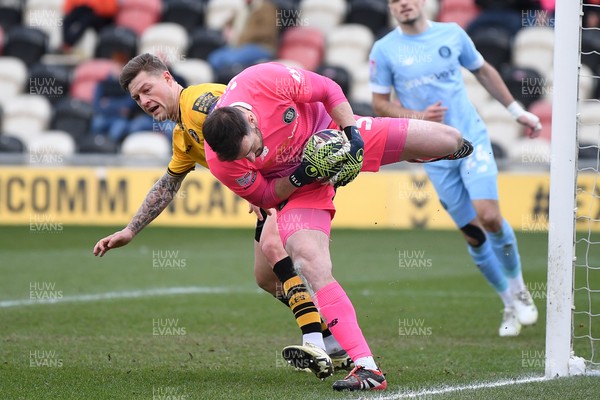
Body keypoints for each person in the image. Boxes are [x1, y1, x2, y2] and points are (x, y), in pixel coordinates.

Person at [201, 61, 472, 391]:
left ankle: (406, 154)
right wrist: (303, 175)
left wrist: (353, 138)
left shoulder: (264, 81)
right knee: (308, 262)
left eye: (255, 148)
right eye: (248, 158)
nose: (256, 159)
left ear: (253, 120)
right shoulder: (220, 160)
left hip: (331, 134)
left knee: (449, 139)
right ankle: (366, 367)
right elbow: (265, 194)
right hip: (299, 186)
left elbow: (329, 90)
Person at [91, 53, 351, 380]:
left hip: (292, 175)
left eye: (147, 89)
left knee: (273, 246)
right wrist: (131, 230)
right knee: (266, 278)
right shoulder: (183, 134)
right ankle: (334, 340)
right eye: (136, 97)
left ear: (168, 78)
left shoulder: (202, 104)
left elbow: (246, 128)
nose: (144, 101)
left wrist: (258, 183)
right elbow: (169, 183)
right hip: (269, 190)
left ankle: (313, 341)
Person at [369, 0, 541, 337]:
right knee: (473, 234)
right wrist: (419, 118)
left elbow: (484, 70)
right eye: (393, 0)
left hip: (471, 138)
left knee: (489, 216)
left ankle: (520, 290)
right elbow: (378, 103)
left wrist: (516, 111)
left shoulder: (452, 34)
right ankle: (507, 302)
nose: (402, 4)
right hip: (433, 152)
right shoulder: (385, 49)